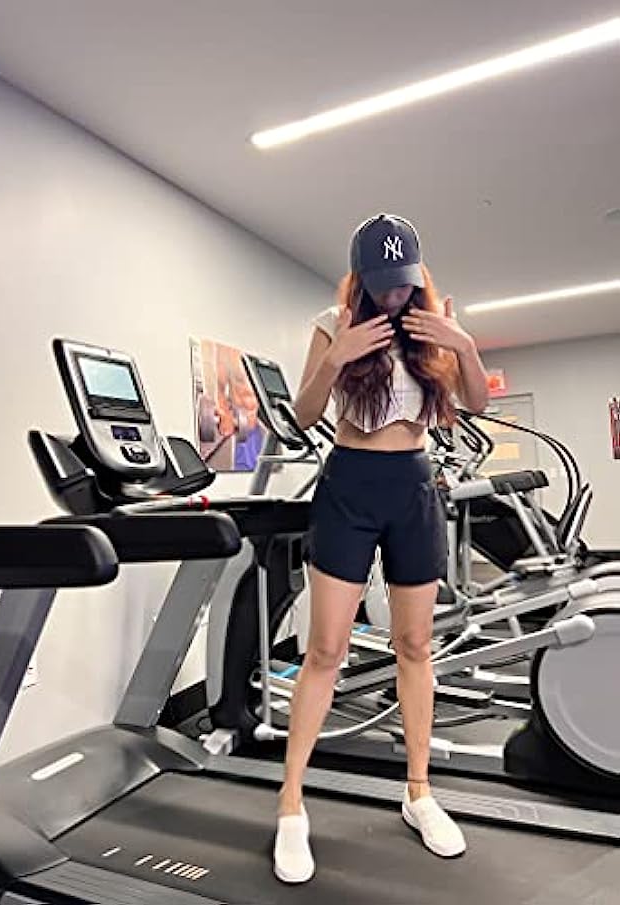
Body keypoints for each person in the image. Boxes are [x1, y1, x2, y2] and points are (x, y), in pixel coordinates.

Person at [273, 213, 489, 883]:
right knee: (325, 649)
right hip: (349, 482)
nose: (395, 295)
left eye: (403, 283)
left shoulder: (433, 324)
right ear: (360, 279)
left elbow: (476, 402)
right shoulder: (331, 322)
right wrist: (335, 356)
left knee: (415, 645)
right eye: (382, 284)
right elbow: (303, 415)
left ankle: (418, 792)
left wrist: (461, 344)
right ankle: (290, 804)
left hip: (413, 485)